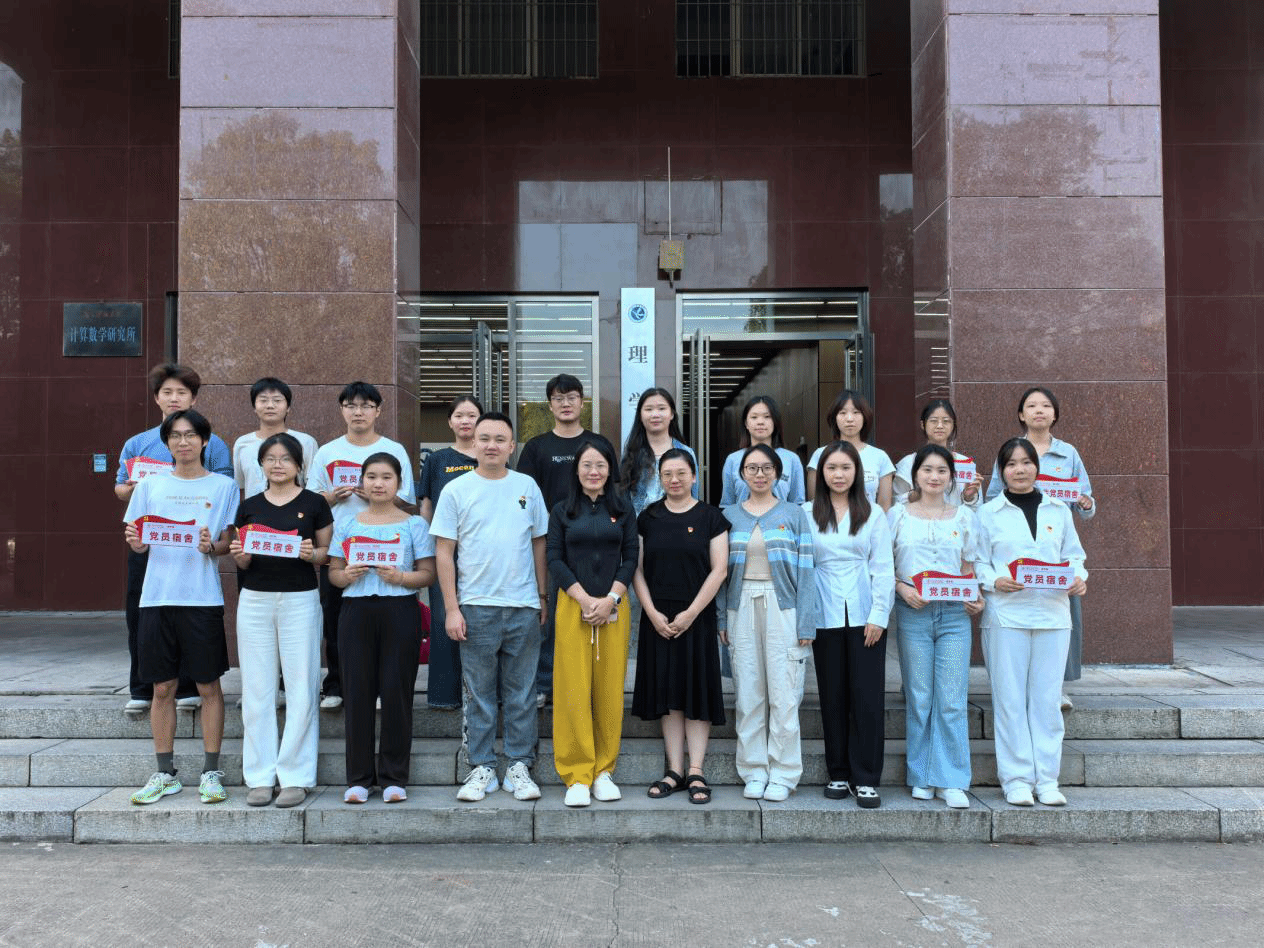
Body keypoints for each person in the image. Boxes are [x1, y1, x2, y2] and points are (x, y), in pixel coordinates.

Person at [431, 412, 550, 803]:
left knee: (522, 693)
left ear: (512, 446)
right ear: (473, 443)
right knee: (478, 694)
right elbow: (444, 552)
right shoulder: (456, 489)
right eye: (485, 438)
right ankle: (481, 766)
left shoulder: (527, 486)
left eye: (500, 439)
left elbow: (539, 543)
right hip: (476, 606)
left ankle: (518, 765)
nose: (492, 445)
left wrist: (542, 597)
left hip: (523, 606)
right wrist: (452, 608)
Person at [122, 409, 239, 806]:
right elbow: (138, 539)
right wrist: (137, 544)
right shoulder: (149, 485)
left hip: (201, 598)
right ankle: (165, 773)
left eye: (190, 435)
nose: (183, 442)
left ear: (205, 441)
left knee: (208, 685)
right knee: (162, 687)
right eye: (175, 436)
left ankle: (211, 771)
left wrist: (211, 546)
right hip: (157, 598)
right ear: (167, 442)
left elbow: (227, 542)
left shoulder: (223, 486)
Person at [115, 363, 232, 716]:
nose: (174, 398)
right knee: (143, 613)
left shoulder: (213, 442)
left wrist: (212, 540)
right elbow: (120, 487)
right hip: (152, 542)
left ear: (194, 399)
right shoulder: (138, 443)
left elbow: (222, 488)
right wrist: (133, 489)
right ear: (156, 398)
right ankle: (141, 687)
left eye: (182, 392)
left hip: (196, 544)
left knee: (190, 619)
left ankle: (188, 687)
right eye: (167, 392)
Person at [977, 437, 1087, 808]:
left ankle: (1048, 780)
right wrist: (994, 580)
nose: (1019, 470)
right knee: (1009, 700)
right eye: (1011, 464)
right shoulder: (988, 513)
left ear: (1037, 467)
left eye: (1026, 462)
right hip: (1006, 616)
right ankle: (1017, 780)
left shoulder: (1058, 510)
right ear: (1001, 471)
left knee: (1046, 700)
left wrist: (1079, 577)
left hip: (1054, 615)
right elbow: (977, 562)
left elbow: (1074, 557)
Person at [228, 433, 333, 808]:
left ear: (299, 465)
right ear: (260, 465)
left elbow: (327, 552)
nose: (277, 464)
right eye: (270, 458)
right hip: (255, 600)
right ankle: (259, 777)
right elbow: (242, 556)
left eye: (286, 458)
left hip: (300, 600)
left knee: (302, 686)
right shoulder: (249, 506)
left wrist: (311, 554)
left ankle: (295, 776)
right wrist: (239, 556)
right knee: (257, 689)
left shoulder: (314, 503)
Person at [326, 453, 435, 804]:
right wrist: (346, 575)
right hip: (356, 610)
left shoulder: (413, 524)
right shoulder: (348, 523)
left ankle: (393, 777)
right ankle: (358, 779)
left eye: (387, 477)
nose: (378, 483)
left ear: (399, 483)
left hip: (400, 609)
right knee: (357, 692)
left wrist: (401, 577)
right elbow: (333, 573)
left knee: (396, 692)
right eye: (371, 476)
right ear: (361, 482)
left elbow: (428, 573)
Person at [718, 444, 818, 802]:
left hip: (783, 606)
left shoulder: (794, 514)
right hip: (740, 604)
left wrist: (806, 622)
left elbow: (807, 570)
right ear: (741, 474)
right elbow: (719, 573)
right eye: (752, 468)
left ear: (778, 473)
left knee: (784, 693)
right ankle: (754, 770)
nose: (759, 474)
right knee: (748, 692)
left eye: (766, 468)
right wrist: (721, 617)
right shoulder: (728, 515)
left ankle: (784, 773)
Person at [984, 387, 1095, 709]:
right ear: (1021, 414)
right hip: (1013, 548)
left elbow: (1086, 499)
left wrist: (1086, 503)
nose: (1039, 411)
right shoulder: (1010, 451)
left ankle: (1055, 686)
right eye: (1031, 405)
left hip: (1053, 547)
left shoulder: (1068, 453)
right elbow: (992, 497)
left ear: (1055, 414)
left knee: (1061, 617)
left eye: (1046, 405)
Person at [308, 381, 416, 710]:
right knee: (336, 618)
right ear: (342, 410)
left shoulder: (394, 450)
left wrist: (375, 494)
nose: (358, 412)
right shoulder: (327, 452)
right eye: (351, 406)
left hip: (387, 547)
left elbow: (408, 501)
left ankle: (382, 688)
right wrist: (332, 495)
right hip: (340, 548)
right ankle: (337, 685)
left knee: (385, 625)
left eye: (366, 406)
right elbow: (311, 500)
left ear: (378, 411)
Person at [631, 449, 729, 805]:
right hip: (658, 616)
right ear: (660, 478)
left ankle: (696, 770)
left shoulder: (711, 517)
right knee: (668, 693)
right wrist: (652, 612)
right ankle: (674, 769)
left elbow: (719, 570)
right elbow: (636, 569)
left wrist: (690, 614)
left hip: (696, 615)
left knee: (695, 692)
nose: (674, 480)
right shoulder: (648, 517)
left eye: (681, 473)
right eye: (667, 474)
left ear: (694, 476)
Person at [889, 444, 982, 809]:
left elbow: (970, 565)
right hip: (912, 611)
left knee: (952, 698)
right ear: (915, 475)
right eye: (927, 470)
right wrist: (902, 589)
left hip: (955, 615)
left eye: (942, 471)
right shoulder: (897, 515)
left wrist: (976, 596)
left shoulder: (964, 517)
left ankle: (952, 779)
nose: (934, 476)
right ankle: (922, 775)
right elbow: (882, 565)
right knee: (920, 696)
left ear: (951, 478)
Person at [546, 439, 638, 807]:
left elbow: (631, 556)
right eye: (586, 465)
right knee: (573, 688)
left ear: (610, 469)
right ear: (576, 470)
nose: (593, 471)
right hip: (574, 606)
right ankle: (577, 774)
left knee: (609, 690)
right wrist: (585, 599)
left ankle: (603, 772)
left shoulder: (623, 509)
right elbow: (554, 558)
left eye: (600, 464)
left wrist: (611, 598)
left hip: (614, 606)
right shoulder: (562, 511)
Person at [517, 373, 616, 708]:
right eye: (558, 398)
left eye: (571, 397)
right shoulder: (536, 447)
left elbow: (613, 489)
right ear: (550, 405)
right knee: (551, 615)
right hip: (550, 542)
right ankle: (546, 683)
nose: (565, 403)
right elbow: (524, 496)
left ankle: (589, 685)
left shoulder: (597, 443)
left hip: (594, 541)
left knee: (594, 612)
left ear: (582, 402)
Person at [805, 441, 894, 809]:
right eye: (831, 468)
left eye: (845, 468)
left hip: (864, 613)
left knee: (867, 696)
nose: (838, 475)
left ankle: (867, 777)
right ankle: (838, 772)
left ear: (857, 472)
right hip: (823, 612)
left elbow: (883, 568)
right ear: (821, 473)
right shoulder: (807, 512)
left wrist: (878, 616)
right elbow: (803, 566)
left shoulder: (873, 513)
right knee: (832, 696)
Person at [417, 394, 482, 711]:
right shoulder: (437, 460)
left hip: (483, 552)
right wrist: (425, 548)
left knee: (479, 620)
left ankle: (481, 694)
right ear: (450, 422)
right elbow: (426, 506)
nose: (465, 421)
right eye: (459, 415)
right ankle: (444, 696)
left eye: (472, 415)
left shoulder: (490, 455)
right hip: (444, 551)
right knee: (445, 617)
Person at [231, 377, 320, 500]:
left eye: (277, 400)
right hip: (254, 511)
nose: (270, 406)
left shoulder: (306, 442)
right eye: (263, 400)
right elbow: (241, 488)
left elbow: (313, 487)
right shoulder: (242, 443)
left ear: (288, 407)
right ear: (254, 407)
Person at [806, 390, 894, 511]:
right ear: (834, 418)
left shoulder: (880, 457)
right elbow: (814, 502)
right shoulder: (820, 454)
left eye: (856, 412)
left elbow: (884, 506)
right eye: (842, 413)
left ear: (865, 417)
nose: (849, 419)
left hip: (869, 522)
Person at [620, 387, 698, 515]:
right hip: (638, 525)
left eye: (661, 408)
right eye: (649, 409)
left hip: (676, 523)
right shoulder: (632, 453)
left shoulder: (686, 452)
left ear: (672, 414)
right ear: (640, 415)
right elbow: (623, 498)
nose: (655, 414)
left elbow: (693, 496)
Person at [892, 399, 981, 508]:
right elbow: (895, 502)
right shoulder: (908, 463)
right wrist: (915, 495)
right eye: (934, 421)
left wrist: (968, 497)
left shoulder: (966, 463)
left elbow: (976, 509)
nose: (940, 426)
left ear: (953, 425)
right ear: (923, 424)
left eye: (946, 421)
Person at [719, 396, 805, 506]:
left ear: (775, 422)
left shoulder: (791, 459)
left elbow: (798, 504)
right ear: (746, 423)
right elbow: (727, 505)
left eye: (767, 417)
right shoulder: (733, 460)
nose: (760, 422)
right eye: (754, 417)